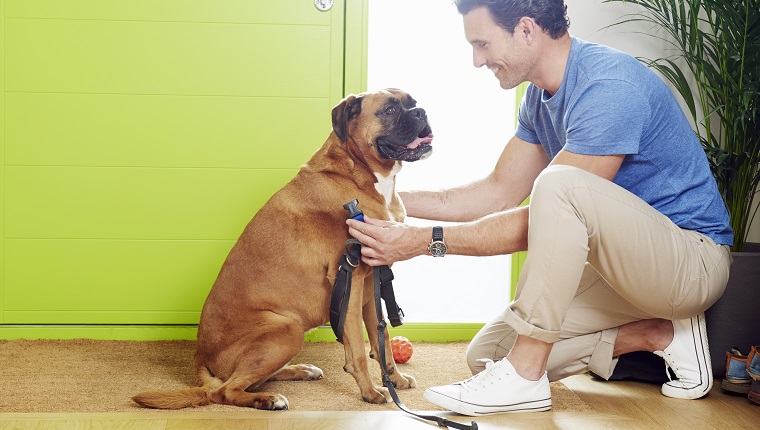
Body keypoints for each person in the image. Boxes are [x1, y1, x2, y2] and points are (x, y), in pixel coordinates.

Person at [345, 0, 734, 417]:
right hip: (623, 274)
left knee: (558, 185)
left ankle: (526, 377)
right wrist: (383, 200)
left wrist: (424, 242)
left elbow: (545, 215)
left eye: (482, 44)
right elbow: (496, 193)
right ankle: (660, 335)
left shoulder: (609, 85)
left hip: (690, 265)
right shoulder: (538, 98)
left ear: (527, 29)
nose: (477, 61)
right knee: (489, 356)